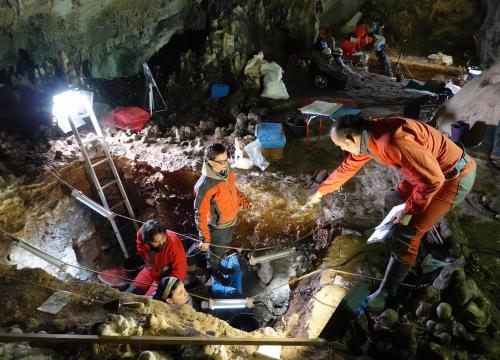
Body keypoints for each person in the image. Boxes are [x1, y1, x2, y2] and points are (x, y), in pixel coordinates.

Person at [306, 115, 476, 312]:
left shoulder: (391, 141)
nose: (342, 150)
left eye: (341, 145)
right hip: (427, 173)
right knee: (392, 199)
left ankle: (384, 293)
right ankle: (388, 237)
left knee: (408, 231)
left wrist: (408, 209)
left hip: (452, 178)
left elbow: (433, 181)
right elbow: (349, 166)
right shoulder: (369, 136)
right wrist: (321, 191)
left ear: (352, 138)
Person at [194, 143, 250, 278]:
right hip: (217, 226)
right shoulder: (204, 186)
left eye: (227, 159)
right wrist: (205, 239)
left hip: (231, 220)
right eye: (221, 161)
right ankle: (214, 270)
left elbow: (233, 190)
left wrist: (243, 200)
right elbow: (199, 213)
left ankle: (218, 260)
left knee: (224, 244)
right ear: (210, 162)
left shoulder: (228, 171)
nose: (226, 163)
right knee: (214, 251)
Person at [127, 219, 187, 296]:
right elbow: (142, 251)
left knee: (150, 300)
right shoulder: (141, 235)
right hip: (151, 268)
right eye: (156, 242)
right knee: (130, 293)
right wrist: (150, 265)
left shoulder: (174, 244)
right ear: (148, 241)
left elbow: (179, 272)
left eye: (163, 238)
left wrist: (165, 292)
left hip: (167, 274)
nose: (162, 243)